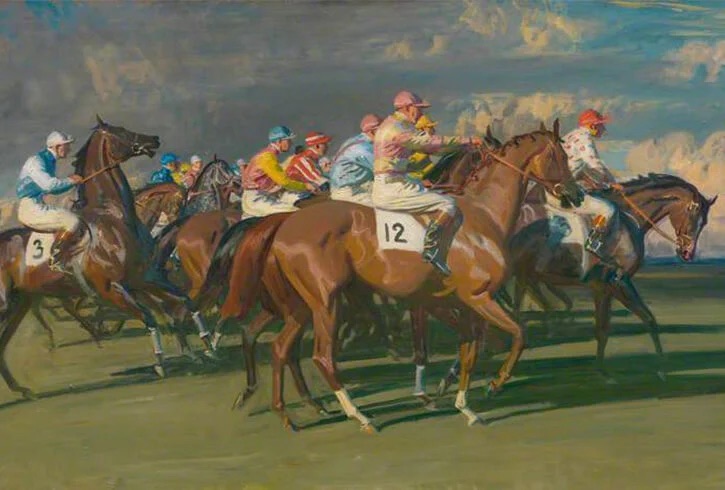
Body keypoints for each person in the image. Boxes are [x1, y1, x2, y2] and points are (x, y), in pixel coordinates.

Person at [373, 90, 483, 276]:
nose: (421, 114)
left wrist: (463, 146)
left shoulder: (394, 124)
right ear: (408, 108)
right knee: (448, 204)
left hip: (397, 181)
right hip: (392, 187)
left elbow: (433, 150)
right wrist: (468, 140)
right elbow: (430, 143)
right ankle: (432, 251)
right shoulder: (397, 128)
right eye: (419, 109)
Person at [538, 109, 623, 276]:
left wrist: (597, 182)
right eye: (601, 125)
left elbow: (578, 168)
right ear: (592, 126)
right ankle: (593, 245)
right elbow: (594, 164)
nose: (604, 129)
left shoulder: (571, 136)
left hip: (554, 189)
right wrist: (612, 182)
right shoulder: (585, 139)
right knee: (608, 209)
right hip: (563, 193)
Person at [16, 131, 83, 271]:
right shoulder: (37, 161)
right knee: (72, 221)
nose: (69, 148)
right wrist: (71, 180)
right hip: (31, 209)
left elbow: (54, 190)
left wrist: (72, 182)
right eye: (66, 145)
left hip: (36, 205)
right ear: (57, 147)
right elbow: (49, 186)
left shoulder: (48, 160)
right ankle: (55, 260)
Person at [241, 125, 315, 218]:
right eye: (288, 140)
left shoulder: (269, 155)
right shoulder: (267, 157)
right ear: (279, 141)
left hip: (265, 194)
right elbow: (284, 182)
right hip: (256, 198)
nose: (291, 143)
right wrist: (305, 186)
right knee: (294, 211)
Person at [329, 114, 381, 206]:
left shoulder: (355, 140)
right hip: (349, 192)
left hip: (358, 187)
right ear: (373, 132)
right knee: (388, 206)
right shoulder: (363, 148)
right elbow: (384, 169)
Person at [408, 114, 439, 182]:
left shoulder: (418, 139)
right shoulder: (423, 139)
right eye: (430, 127)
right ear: (423, 129)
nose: (433, 130)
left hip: (427, 173)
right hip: (419, 177)